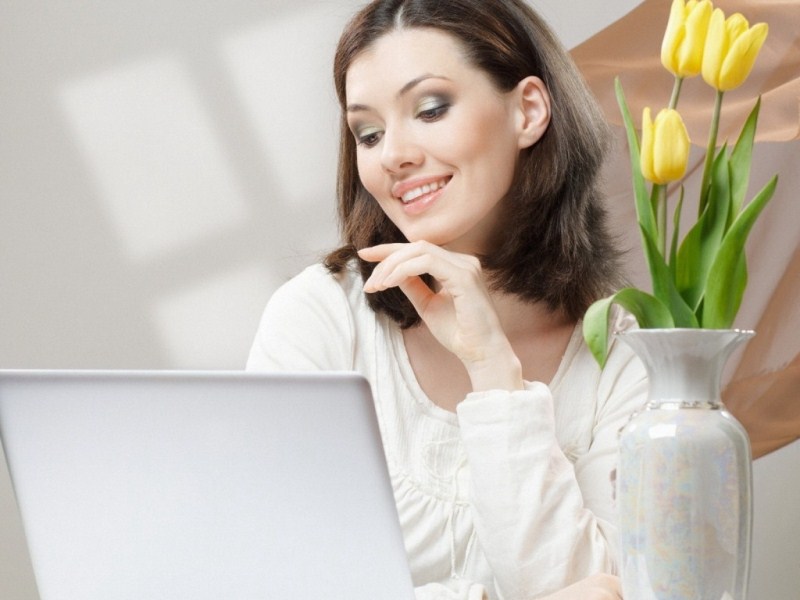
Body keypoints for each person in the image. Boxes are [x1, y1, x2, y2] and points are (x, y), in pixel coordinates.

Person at [247, 1, 645, 598]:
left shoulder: (619, 353)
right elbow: (265, 576)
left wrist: (494, 372)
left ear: (528, 110)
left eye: (430, 109)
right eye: (369, 133)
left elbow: (606, 590)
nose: (393, 155)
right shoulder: (321, 319)